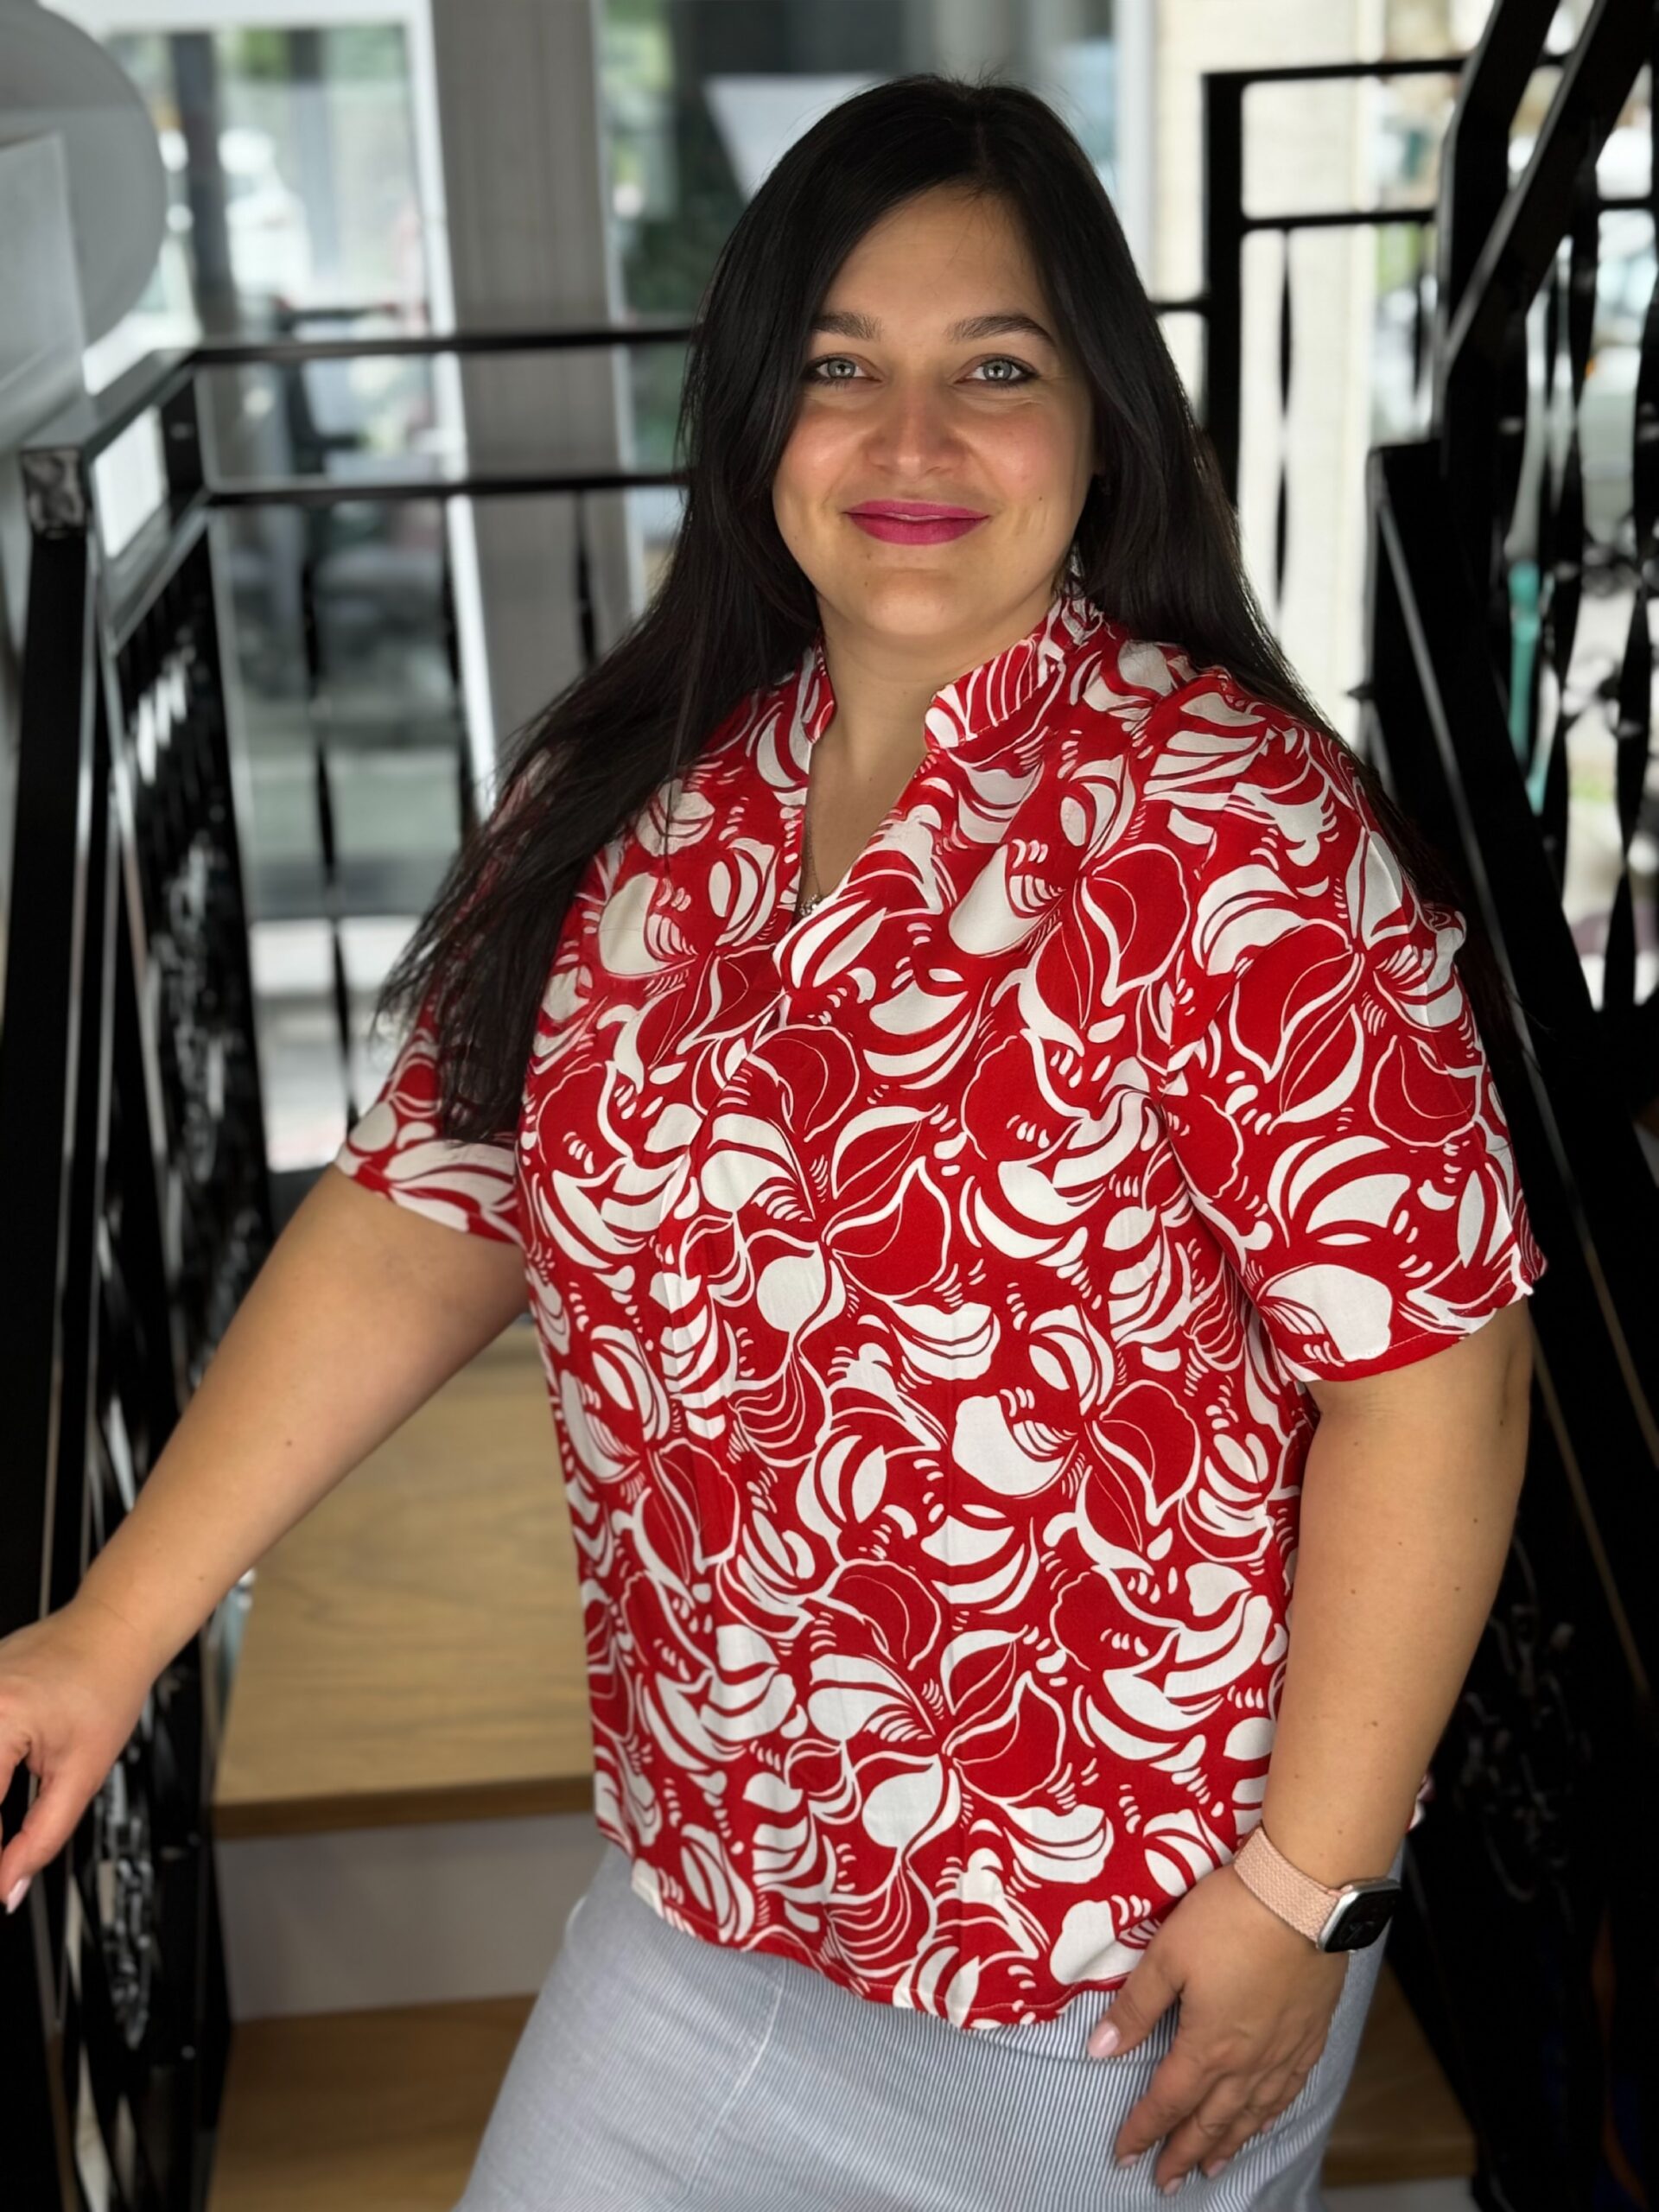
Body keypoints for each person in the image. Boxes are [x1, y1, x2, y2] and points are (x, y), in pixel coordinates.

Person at [0, 72, 1547, 2211]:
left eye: (992, 370)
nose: (911, 442)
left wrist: (1314, 1885)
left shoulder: (1235, 836)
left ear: (1101, 420)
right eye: (837, 369)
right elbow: (429, 1204)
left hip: (1110, 1973)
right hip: (707, 1902)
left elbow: (1441, 1377)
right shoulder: (630, 797)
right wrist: (112, 1627)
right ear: (753, 420)